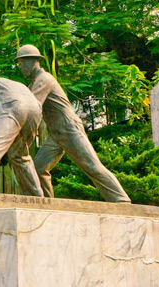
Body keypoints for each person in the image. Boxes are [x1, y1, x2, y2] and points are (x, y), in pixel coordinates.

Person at [15, 45, 131, 203]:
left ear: (33, 61)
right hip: (56, 132)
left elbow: (32, 106)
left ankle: (121, 200)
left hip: (68, 127)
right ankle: (47, 204)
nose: (20, 67)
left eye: (22, 62)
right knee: (39, 168)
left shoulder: (44, 79)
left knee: (91, 165)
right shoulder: (34, 83)